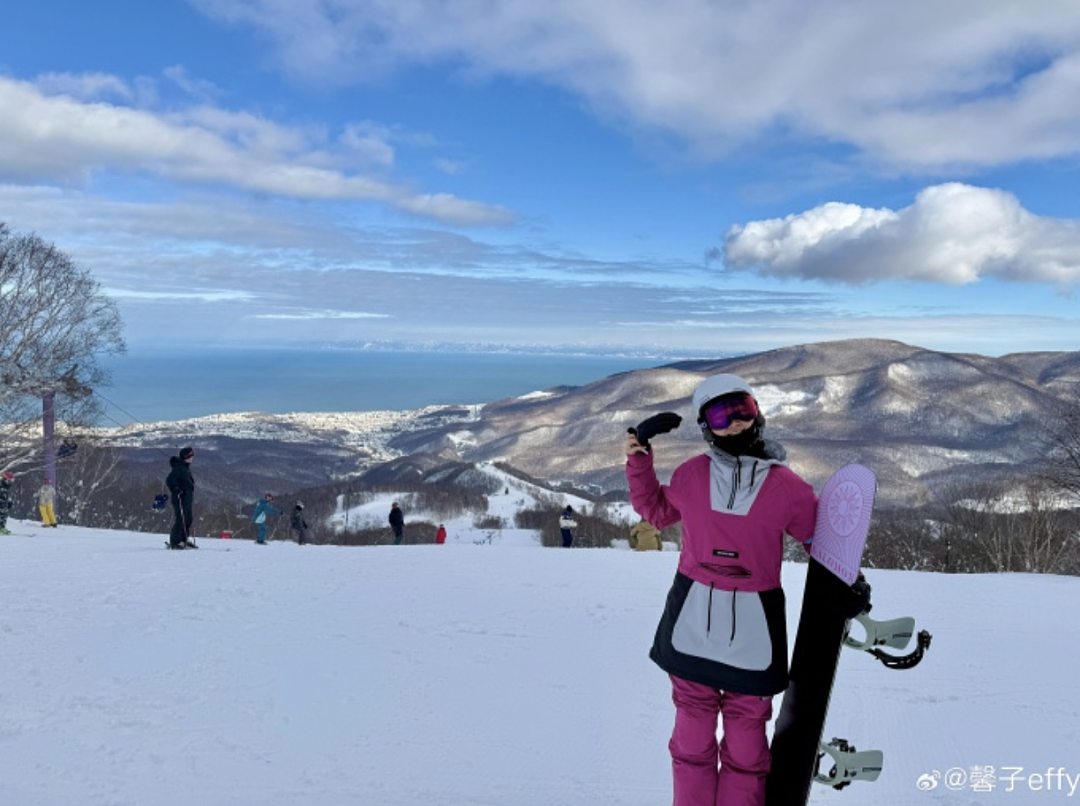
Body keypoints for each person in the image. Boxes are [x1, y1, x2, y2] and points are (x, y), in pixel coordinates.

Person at [625, 374, 817, 806]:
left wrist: (848, 584)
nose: (734, 424)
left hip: (753, 629)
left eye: (742, 410)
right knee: (691, 741)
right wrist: (639, 460)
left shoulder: (788, 488)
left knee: (747, 748)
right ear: (705, 425)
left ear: (758, 413)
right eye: (720, 414)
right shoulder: (692, 475)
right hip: (694, 620)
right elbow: (657, 511)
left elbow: (819, 543)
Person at [166, 446, 197, 549]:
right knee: (181, 519)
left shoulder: (185, 467)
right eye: (190, 456)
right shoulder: (179, 468)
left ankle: (184, 539)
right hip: (180, 498)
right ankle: (175, 541)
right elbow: (169, 481)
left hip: (187, 498)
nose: (192, 458)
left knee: (188, 519)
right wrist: (176, 489)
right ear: (186, 457)